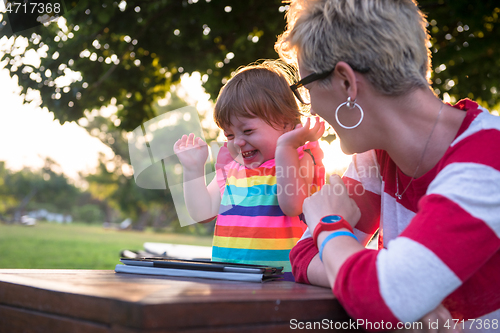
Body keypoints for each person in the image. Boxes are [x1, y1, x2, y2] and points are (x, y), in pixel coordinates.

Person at [275, 0, 500, 331]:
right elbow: (305, 254)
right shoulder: (376, 156)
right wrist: (394, 290)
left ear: (346, 83)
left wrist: (328, 223)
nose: (310, 110)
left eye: (307, 90)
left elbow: (380, 297)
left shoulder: (488, 157)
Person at [173, 61, 326, 280]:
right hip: (229, 279)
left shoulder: (302, 157)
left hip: (284, 282)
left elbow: (292, 205)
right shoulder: (231, 169)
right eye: (230, 135)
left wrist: (287, 147)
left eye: (248, 130)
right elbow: (202, 213)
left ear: (286, 124)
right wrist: (193, 170)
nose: (239, 142)